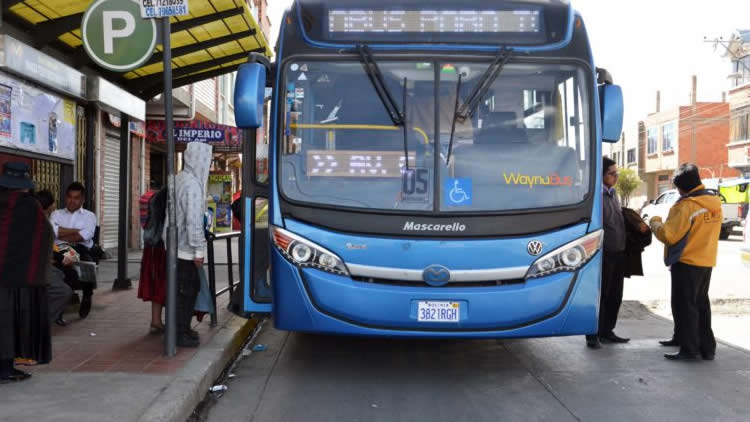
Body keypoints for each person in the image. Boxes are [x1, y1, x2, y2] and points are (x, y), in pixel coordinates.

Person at [650, 163, 721, 361]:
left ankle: (690, 350)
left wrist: (654, 221)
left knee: (685, 306)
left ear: (683, 187)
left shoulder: (688, 206)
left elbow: (669, 235)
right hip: (706, 260)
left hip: (687, 262)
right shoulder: (713, 201)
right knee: (700, 305)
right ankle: (706, 348)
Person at [0, 162, 54, 383]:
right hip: (18, 277)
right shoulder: (29, 206)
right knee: (10, 324)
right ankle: (5, 370)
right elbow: (45, 235)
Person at [167, 142, 213, 348]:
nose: (208, 165)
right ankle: (180, 333)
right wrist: (199, 250)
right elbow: (194, 221)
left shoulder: (179, 179)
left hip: (174, 247)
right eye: (207, 161)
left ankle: (180, 330)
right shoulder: (193, 186)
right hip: (186, 250)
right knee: (187, 293)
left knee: (180, 293)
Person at [587, 157, 630, 349]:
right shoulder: (596, 196)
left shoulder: (613, 194)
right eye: (612, 174)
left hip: (618, 251)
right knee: (600, 295)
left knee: (615, 294)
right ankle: (594, 334)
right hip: (602, 253)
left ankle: (608, 331)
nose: (616, 177)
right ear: (601, 174)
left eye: (616, 173)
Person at [50, 182, 97, 318]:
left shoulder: (89, 216)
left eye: (76, 198)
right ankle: (60, 305)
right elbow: (54, 233)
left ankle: (87, 296)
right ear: (65, 197)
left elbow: (84, 236)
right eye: (70, 197)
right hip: (59, 249)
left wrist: (62, 232)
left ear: (83, 200)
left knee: (87, 265)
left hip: (81, 249)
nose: (72, 200)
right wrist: (76, 231)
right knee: (61, 267)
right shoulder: (56, 214)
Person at [35, 190, 74, 327]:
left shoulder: (43, 219)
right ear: (50, 205)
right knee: (63, 290)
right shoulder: (39, 222)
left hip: (50, 258)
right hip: (36, 266)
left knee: (64, 273)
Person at [138, 188, 167, 334]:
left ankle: (156, 320)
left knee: (156, 283)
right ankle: (158, 321)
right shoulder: (166, 199)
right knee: (163, 283)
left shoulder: (148, 199)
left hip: (152, 247)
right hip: (164, 248)